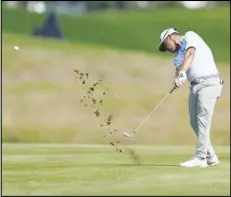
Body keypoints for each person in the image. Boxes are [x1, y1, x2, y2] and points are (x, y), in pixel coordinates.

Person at [158, 28, 224, 167]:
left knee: (202, 121)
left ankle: (200, 158)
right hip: (195, 87)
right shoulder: (176, 57)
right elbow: (178, 71)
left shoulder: (190, 35)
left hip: (209, 83)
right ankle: (210, 156)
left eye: (165, 44)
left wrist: (182, 72)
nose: (166, 48)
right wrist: (177, 80)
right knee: (194, 123)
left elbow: (190, 53)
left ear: (170, 37)